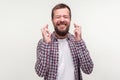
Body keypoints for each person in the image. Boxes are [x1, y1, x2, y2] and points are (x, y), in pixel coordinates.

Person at [35, 3, 94, 80]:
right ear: (52, 20)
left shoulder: (77, 41)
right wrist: (47, 44)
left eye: (65, 17)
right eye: (58, 17)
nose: (62, 20)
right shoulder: (43, 43)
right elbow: (40, 73)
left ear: (70, 20)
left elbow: (88, 69)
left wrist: (79, 42)